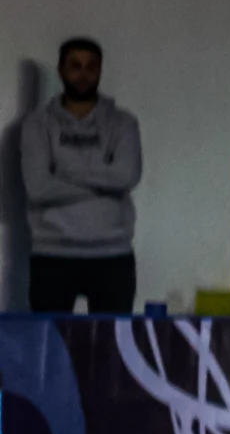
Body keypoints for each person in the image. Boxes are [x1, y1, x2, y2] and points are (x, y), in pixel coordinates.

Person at [22, 37, 141, 314]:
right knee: (49, 341)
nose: (83, 74)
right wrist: (104, 179)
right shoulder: (37, 124)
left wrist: (64, 172)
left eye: (91, 67)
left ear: (100, 71)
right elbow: (38, 188)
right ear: (61, 70)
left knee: (111, 341)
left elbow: (127, 176)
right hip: (52, 253)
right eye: (75, 66)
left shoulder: (123, 123)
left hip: (112, 254)